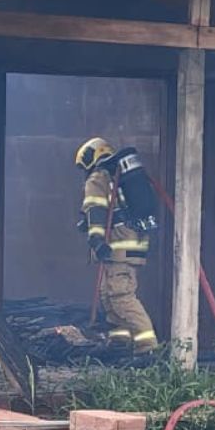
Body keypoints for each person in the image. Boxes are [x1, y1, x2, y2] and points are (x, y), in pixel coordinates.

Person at [75, 137, 158, 353]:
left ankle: (148, 347)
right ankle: (120, 342)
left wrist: (96, 239)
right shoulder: (113, 177)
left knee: (121, 297)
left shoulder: (97, 178)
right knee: (109, 297)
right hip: (128, 246)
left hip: (118, 247)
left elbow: (97, 210)